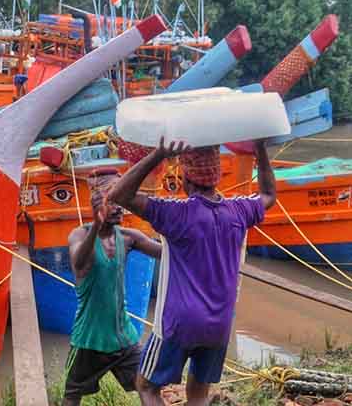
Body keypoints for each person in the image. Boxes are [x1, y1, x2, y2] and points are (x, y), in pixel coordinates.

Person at [108, 139, 277, 406]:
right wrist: (261, 150)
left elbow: (118, 195)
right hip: (220, 322)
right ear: (216, 177)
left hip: (179, 322)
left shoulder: (176, 214)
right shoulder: (238, 210)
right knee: (198, 393)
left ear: (187, 179)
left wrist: (158, 155)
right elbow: (268, 195)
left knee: (146, 385)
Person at [63, 168, 162, 405]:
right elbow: (79, 265)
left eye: (121, 201)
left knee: (148, 385)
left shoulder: (128, 237)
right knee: (71, 395)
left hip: (123, 337)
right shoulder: (79, 235)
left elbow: (166, 253)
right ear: (96, 204)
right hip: (89, 339)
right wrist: (96, 226)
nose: (120, 207)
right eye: (113, 202)